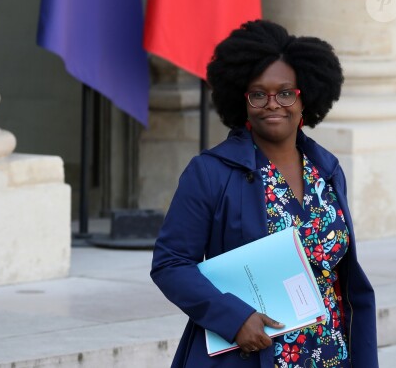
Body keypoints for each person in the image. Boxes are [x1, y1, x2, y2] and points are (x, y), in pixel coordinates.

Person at [151, 20, 378, 368]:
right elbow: (171, 264)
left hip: (331, 354)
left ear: (306, 98)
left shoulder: (327, 171)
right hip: (251, 353)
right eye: (259, 93)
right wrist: (233, 318)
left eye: (286, 92)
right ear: (242, 100)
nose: (273, 104)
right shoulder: (209, 172)